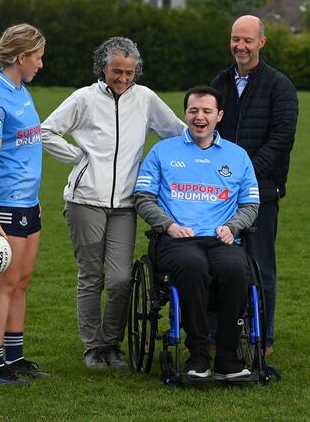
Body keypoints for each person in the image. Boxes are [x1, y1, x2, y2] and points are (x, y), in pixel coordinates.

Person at [41, 37, 186, 370]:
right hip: (84, 202)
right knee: (91, 275)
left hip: (125, 204)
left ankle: (112, 344)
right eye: (116, 71)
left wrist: (207, 140)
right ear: (102, 67)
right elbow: (47, 131)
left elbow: (176, 132)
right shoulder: (84, 98)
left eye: (129, 72)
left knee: (121, 278)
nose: (122, 79)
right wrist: (78, 157)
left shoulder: (146, 99)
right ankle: (93, 348)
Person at [134, 85, 260, 379]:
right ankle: (199, 355)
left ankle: (228, 357)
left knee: (235, 269)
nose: (199, 117)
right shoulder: (163, 151)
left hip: (220, 240)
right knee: (193, 266)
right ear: (186, 114)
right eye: (193, 111)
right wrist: (168, 225)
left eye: (206, 111)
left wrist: (233, 226)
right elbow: (143, 198)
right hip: (176, 240)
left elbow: (251, 204)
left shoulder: (237, 156)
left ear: (219, 116)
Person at [210, 15, 298, 356]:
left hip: (260, 193)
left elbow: (281, 140)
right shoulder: (219, 83)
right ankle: (219, 333)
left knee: (260, 266)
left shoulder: (279, 86)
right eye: (235, 39)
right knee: (219, 264)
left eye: (247, 40)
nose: (240, 46)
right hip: (218, 195)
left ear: (261, 42)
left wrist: (242, 175)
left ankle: (263, 337)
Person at [0, 24, 48, 386]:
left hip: (28, 204)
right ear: (21, 57)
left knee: (22, 281)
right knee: (3, 285)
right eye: (38, 57)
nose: (41, 64)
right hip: (3, 207)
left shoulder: (21, 91)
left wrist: (35, 201)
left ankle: (14, 359)